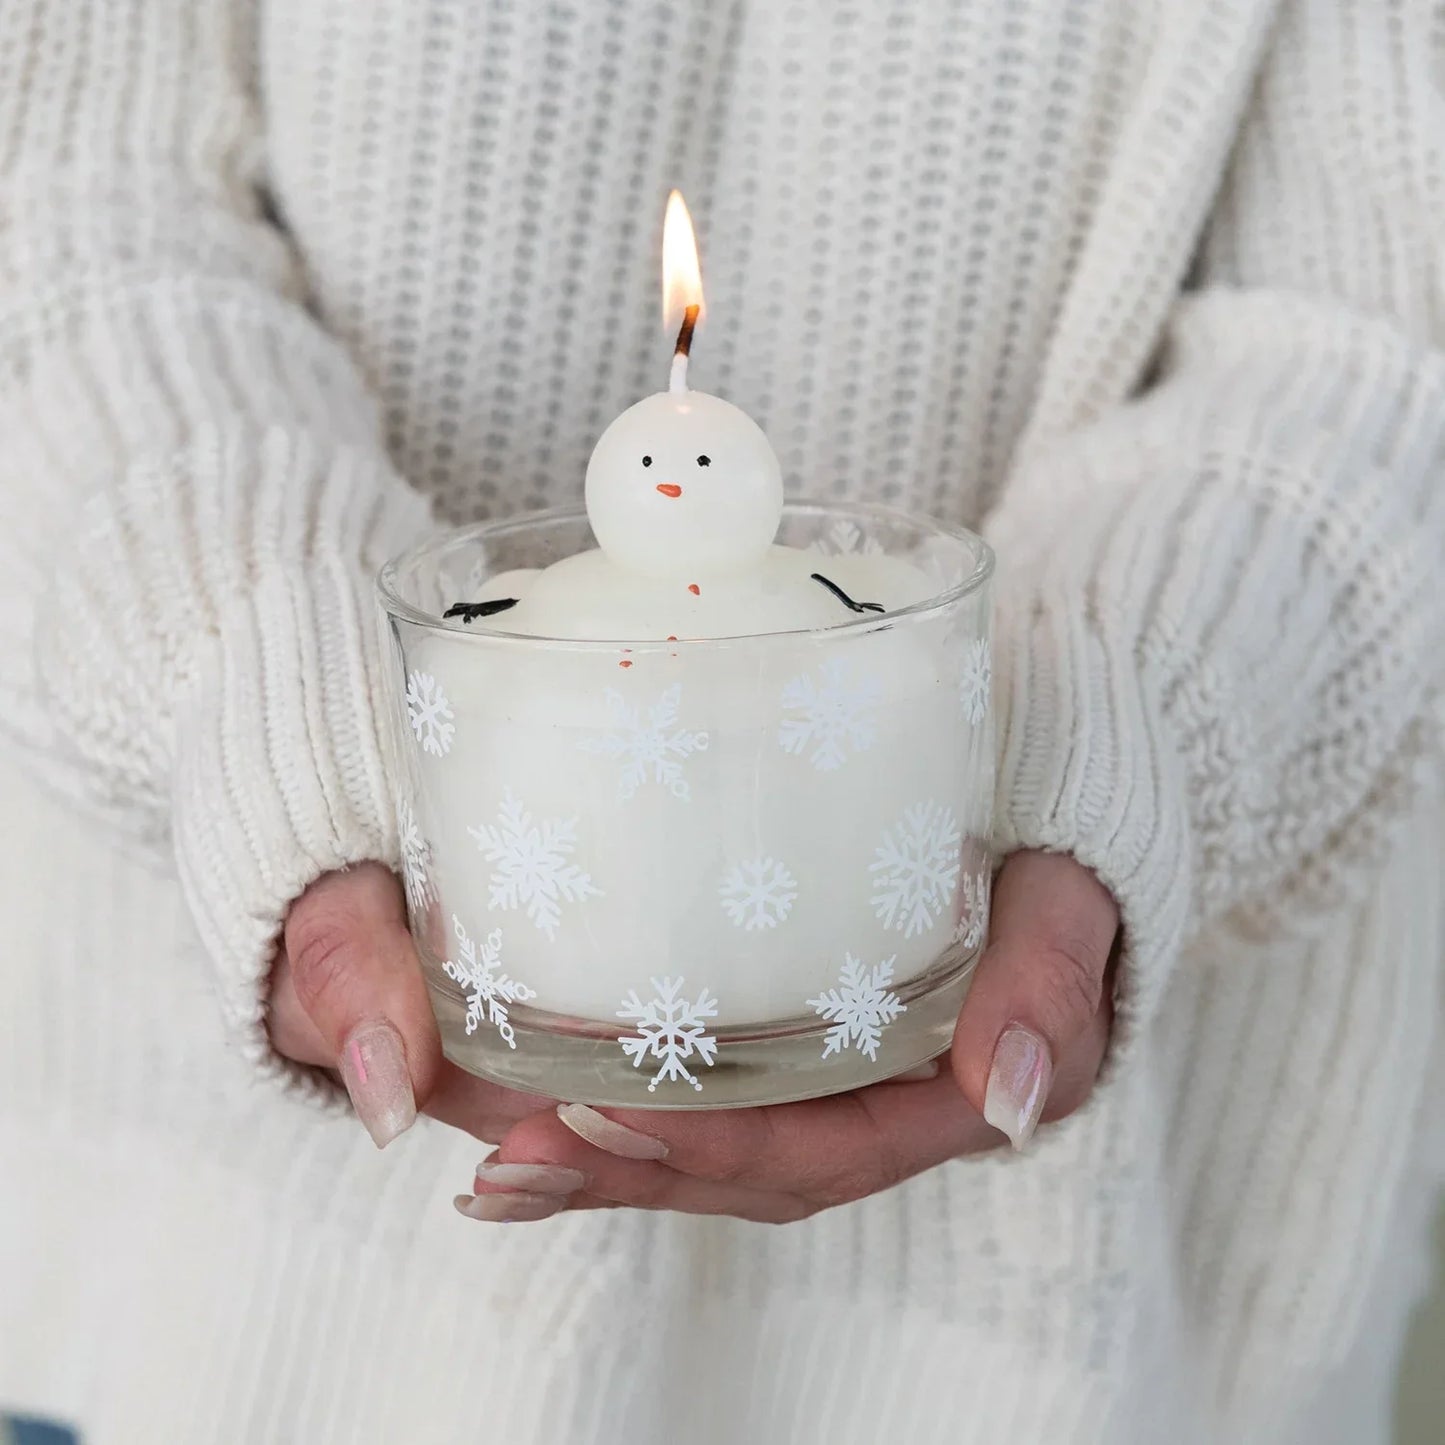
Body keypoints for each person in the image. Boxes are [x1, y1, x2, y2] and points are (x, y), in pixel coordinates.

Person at [1, 1, 1441, 1441]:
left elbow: (1382, 336)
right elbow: (67, 193)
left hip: (1063, 1329)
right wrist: (262, 677)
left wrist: (1114, 716)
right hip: (183, 1273)